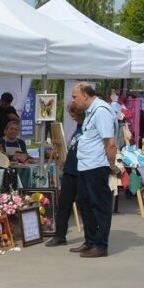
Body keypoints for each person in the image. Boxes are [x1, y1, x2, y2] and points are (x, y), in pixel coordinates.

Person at [70, 82, 120, 258]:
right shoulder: (91, 111)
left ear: (85, 94)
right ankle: (90, 240)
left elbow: (110, 143)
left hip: (97, 166)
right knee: (83, 201)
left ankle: (101, 245)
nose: (73, 100)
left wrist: (112, 165)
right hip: (86, 165)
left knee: (99, 205)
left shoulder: (101, 111)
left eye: (74, 96)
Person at [45, 102, 86, 247]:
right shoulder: (77, 128)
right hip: (70, 170)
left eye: (76, 114)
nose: (73, 117)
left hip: (83, 171)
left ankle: (89, 239)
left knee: (84, 206)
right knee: (63, 204)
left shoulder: (89, 127)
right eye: (72, 114)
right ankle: (60, 235)